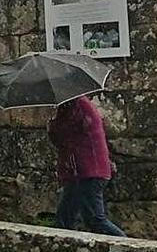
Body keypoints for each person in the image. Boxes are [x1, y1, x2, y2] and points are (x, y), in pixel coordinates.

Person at [48, 95, 126, 237]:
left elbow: (63, 135)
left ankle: (127, 245)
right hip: (82, 172)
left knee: (95, 219)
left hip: (89, 171)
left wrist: (52, 124)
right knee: (64, 220)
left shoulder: (78, 106)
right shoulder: (72, 106)